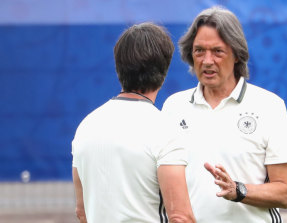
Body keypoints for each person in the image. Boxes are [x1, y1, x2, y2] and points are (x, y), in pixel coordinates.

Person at [162, 6, 287, 222]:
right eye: (199, 51)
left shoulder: (269, 106)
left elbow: (285, 193)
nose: (207, 60)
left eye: (217, 51)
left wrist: (239, 191)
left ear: (237, 54)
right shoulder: (174, 106)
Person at [72, 22, 196, 223]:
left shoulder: (86, 126)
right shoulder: (165, 129)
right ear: (164, 71)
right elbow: (180, 217)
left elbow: (81, 211)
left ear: (119, 67)